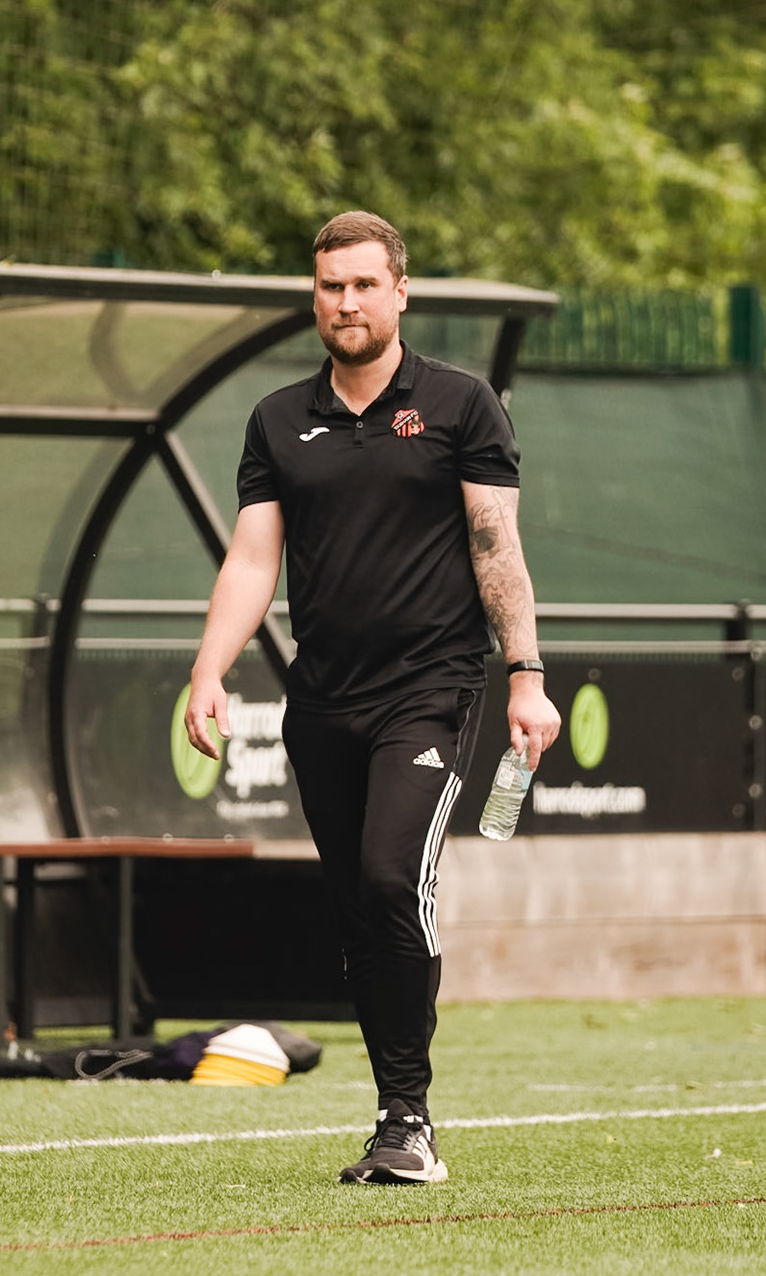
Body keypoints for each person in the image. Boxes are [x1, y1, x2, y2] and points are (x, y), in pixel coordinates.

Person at [185, 211, 560, 1184]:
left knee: (395, 881)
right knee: (359, 912)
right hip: (321, 702)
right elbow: (253, 558)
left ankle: (409, 1117)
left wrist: (526, 675)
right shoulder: (278, 418)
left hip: (430, 689)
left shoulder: (460, 404)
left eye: (362, 285)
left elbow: (496, 546)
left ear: (400, 292)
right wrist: (209, 667)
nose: (345, 302)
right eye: (329, 287)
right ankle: (395, 1115)